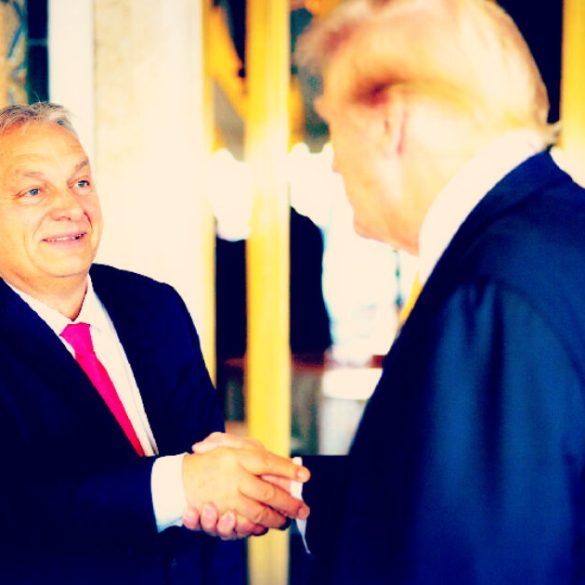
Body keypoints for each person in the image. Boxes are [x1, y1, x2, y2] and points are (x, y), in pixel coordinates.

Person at [186, 0, 585, 583]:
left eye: (332, 125)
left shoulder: (492, 295)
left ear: (388, 123)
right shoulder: (551, 234)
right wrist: (291, 487)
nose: (335, 165)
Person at [0, 102, 310, 585]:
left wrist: (226, 494)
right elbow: (18, 509)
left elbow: (203, 462)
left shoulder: (154, 305)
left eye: (81, 182)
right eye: (33, 190)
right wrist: (180, 487)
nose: (71, 208)